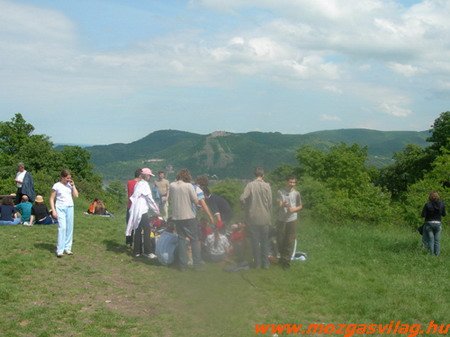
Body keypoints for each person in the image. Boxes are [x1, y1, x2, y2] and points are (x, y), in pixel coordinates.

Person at [169, 169, 213, 271]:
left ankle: (182, 266)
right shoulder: (188, 186)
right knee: (194, 240)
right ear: (187, 177)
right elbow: (196, 200)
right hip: (189, 216)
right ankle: (197, 264)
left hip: (176, 216)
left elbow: (170, 198)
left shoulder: (172, 185)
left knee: (181, 240)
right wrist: (201, 206)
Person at [240, 167, 272, 269]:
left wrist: (245, 207)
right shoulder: (267, 186)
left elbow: (242, 198)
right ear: (263, 175)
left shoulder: (250, 185)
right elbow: (270, 202)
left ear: (255, 175)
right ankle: (265, 263)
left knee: (255, 241)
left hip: (253, 218)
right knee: (265, 241)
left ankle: (257, 264)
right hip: (265, 217)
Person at [126, 168, 160, 258]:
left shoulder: (138, 184)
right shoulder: (145, 184)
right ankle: (148, 252)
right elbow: (150, 199)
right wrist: (157, 211)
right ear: (145, 175)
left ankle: (137, 251)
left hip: (135, 209)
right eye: (149, 175)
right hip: (142, 210)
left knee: (137, 229)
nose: (150, 177)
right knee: (147, 229)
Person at [49, 169, 79, 258]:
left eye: (70, 178)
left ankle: (68, 248)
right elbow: (51, 198)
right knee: (62, 228)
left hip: (70, 207)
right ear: (62, 177)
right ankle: (60, 250)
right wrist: (53, 210)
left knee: (69, 228)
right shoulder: (56, 185)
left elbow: (76, 196)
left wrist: (73, 186)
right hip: (60, 208)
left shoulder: (70, 185)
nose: (68, 180)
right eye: (67, 178)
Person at [276, 176, 302, 269]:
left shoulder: (296, 193)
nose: (292, 184)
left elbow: (300, 206)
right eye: (290, 182)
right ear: (286, 182)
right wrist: (282, 204)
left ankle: (286, 262)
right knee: (280, 240)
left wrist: (294, 209)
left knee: (289, 240)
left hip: (292, 219)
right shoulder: (280, 192)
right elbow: (278, 203)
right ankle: (282, 257)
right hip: (281, 219)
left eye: (294, 182)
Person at [421, 191, 446, 256]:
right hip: (438, 224)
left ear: (430, 197)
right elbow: (444, 214)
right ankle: (437, 255)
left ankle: (431, 254)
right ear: (438, 197)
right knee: (437, 241)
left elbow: (423, 215)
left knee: (431, 239)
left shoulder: (427, 204)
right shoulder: (442, 204)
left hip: (429, 224)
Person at [126, 168, 142, 246]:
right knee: (138, 225)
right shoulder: (140, 184)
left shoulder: (129, 182)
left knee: (129, 224)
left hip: (129, 205)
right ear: (139, 175)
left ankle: (129, 241)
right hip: (137, 207)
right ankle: (137, 242)